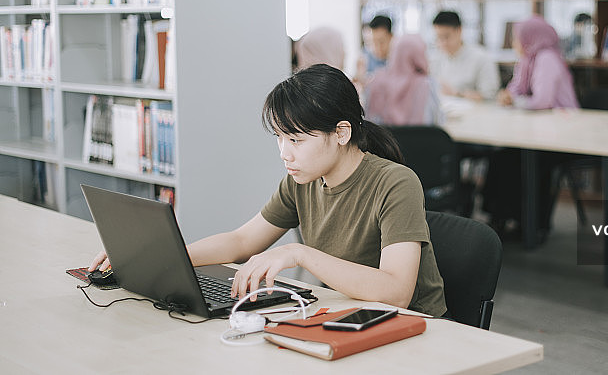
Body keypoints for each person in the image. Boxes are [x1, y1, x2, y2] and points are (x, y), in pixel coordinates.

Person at [90, 64, 447, 317]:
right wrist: (158, 256)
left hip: (414, 329)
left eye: (295, 139)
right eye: (279, 138)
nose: (284, 153)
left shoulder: (395, 183)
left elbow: (397, 292)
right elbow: (242, 242)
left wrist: (299, 253)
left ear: (341, 133)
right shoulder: (302, 180)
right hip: (349, 316)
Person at [484, 15, 580, 241]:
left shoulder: (547, 58)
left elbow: (542, 101)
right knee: (502, 156)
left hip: (564, 135)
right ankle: (503, 216)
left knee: (521, 159)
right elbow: (516, 88)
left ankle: (529, 222)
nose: (515, 43)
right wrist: (507, 96)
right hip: (538, 130)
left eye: (518, 39)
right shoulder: (527, 59)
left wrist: (515, 101)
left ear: (531, 38)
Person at [363, 33, 443, 126]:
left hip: (385, 140)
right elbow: (438, 123)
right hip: (420, 140)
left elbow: (369, 121)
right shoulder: (427, 85)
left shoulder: (376, 80)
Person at [429, 11, 500, 101]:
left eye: (446, 37)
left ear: (459, 30)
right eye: (439, 38)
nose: (443, 43)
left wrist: (457, 94)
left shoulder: (481, 57)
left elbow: (489, 96)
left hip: (475, 112)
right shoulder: (435, 58)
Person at [355, 15, 393, 83]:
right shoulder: (365, 58)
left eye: (381, 42)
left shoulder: (398, 58)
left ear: (391, 37)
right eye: (374, 42)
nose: (378, 47)